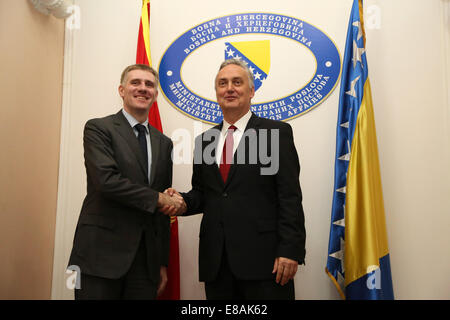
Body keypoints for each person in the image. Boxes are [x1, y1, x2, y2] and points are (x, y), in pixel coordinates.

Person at [163, 59, 306, 300]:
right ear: (217, 92)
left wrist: (290, 250)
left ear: (251, 91)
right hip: (217, 264)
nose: (229, 88)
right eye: (223, 83)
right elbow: (203, 193)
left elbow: (289, 196)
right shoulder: (204, 141)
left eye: (237, 82)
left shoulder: (276, 133)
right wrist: (182, 201)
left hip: (265, 264)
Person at [68, 64, 184, 300]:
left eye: (149, 84)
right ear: (122, 90)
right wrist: (158, 198)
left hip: (145, 263)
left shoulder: (164, 143)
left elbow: (161, 212)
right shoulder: (99, 128)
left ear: (156, 94)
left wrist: (161, 262)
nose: (143, 89)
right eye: (135, 83)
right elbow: (106, 181)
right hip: (100, 255)